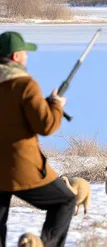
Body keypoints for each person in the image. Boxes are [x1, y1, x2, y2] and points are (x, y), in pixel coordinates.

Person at [0, 31, 75, 247]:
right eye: (24, 53)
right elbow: (47, 125)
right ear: (15, 56)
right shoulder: (24, 84)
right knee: (64, 201)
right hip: (19, 168)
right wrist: (56, 105)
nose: (27, 57)